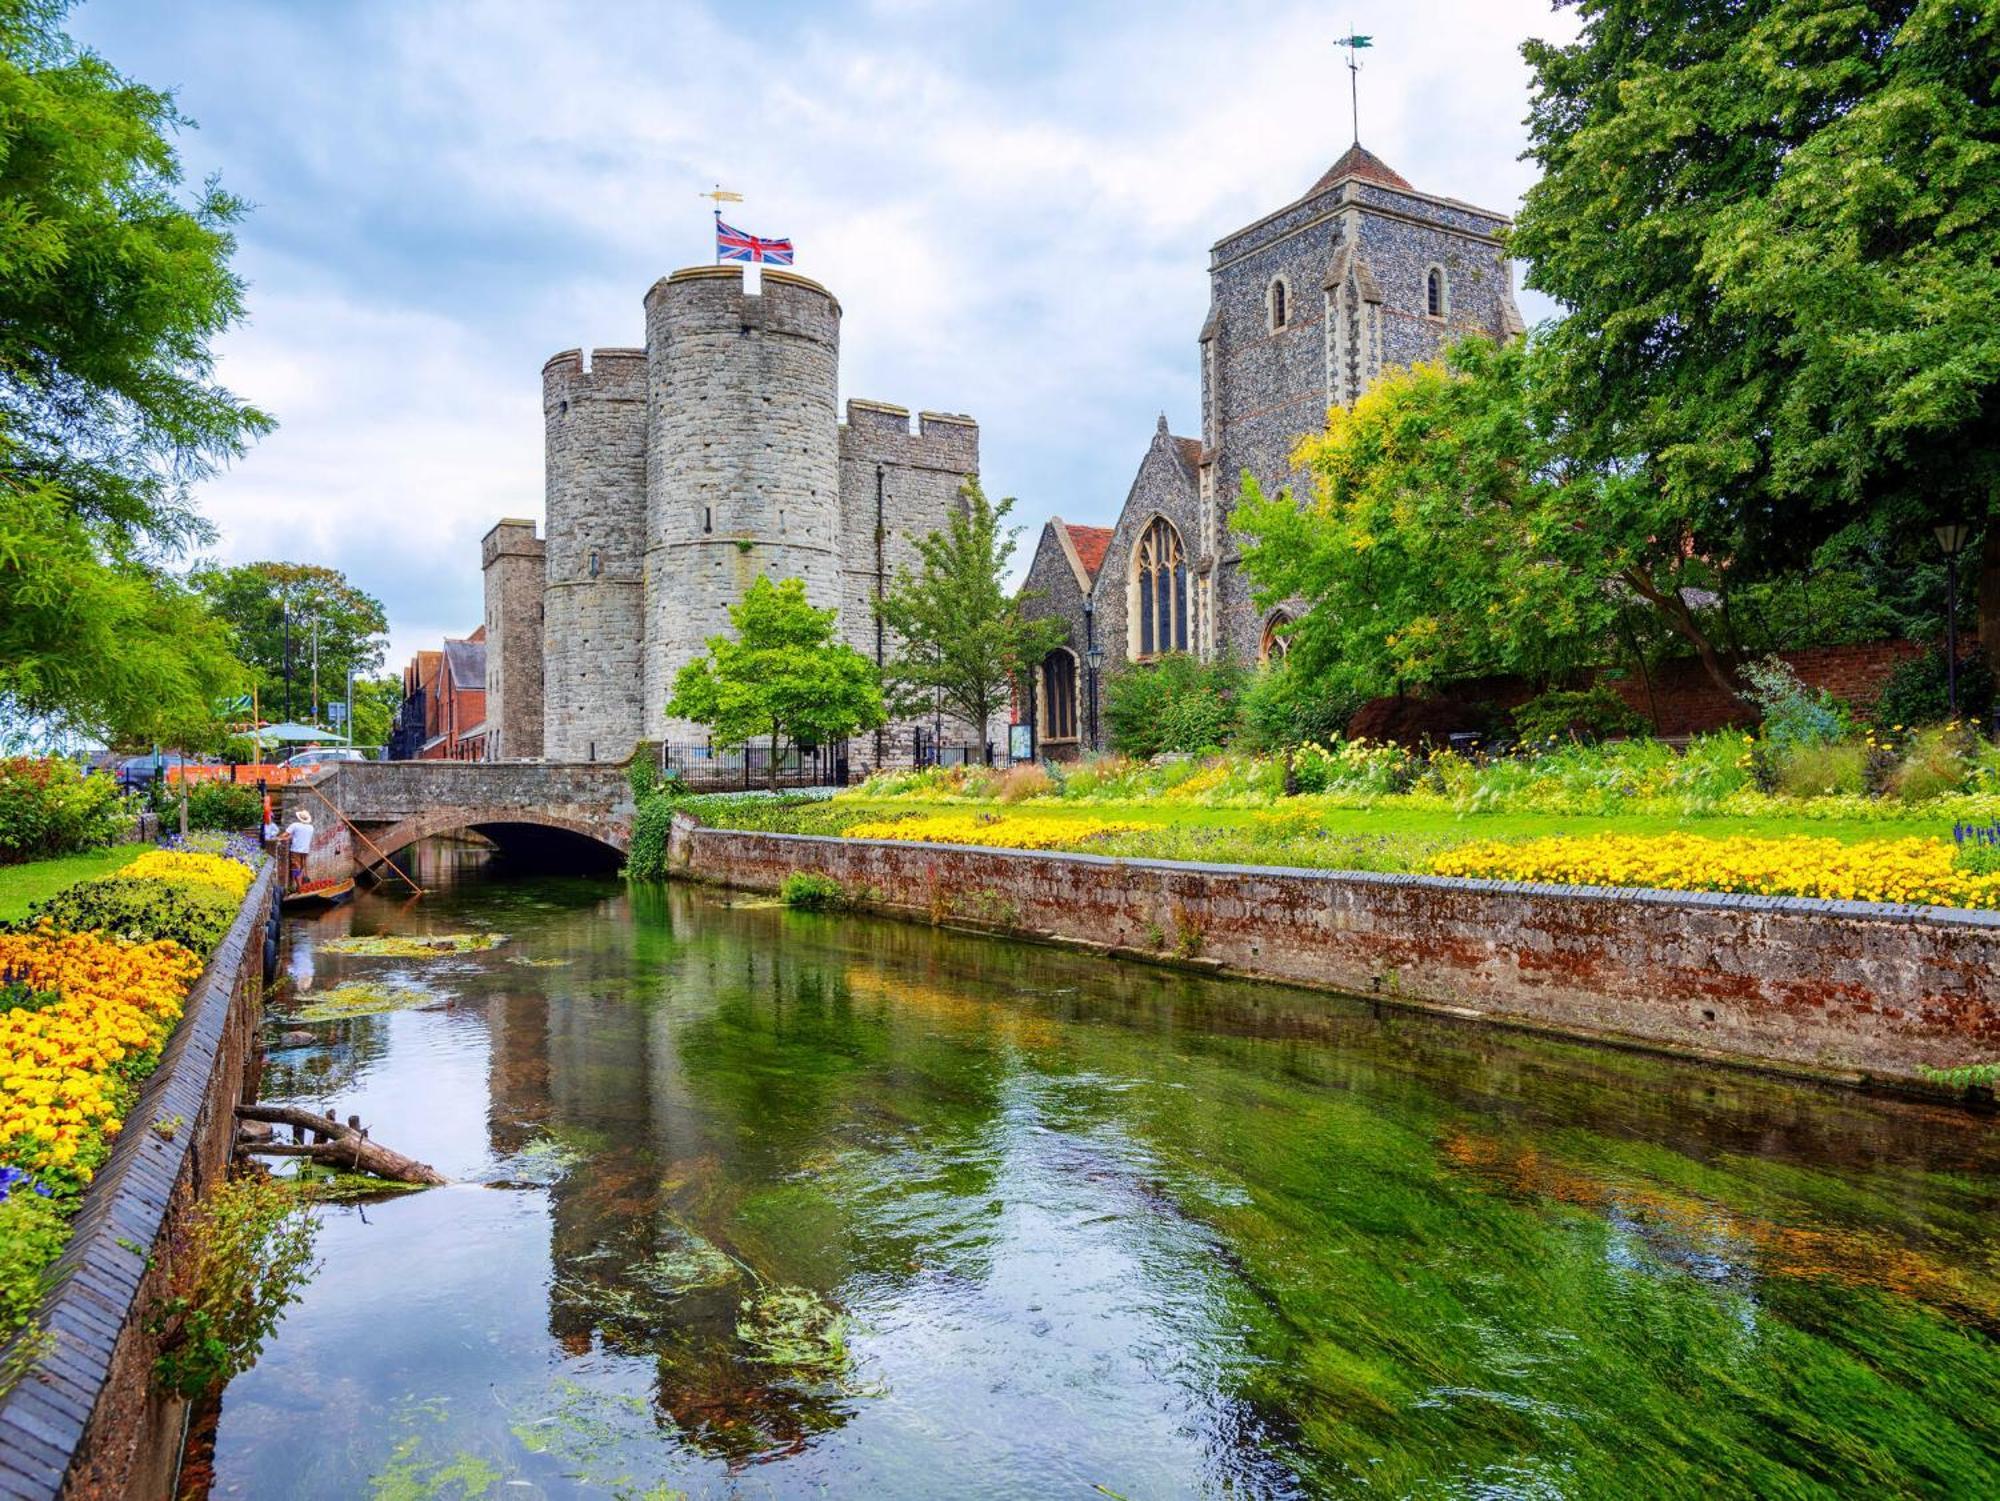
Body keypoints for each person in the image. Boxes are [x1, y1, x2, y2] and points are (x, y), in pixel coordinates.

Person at [286, 808, 314, 891]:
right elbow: (300, 836)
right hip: (305, 850)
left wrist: (279, 837)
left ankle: (299, 887)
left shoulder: (295, 825)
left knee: (295, 868)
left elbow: (285, 834)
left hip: (296, 849)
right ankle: (302, 886)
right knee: (301, 867)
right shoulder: (311, 827)